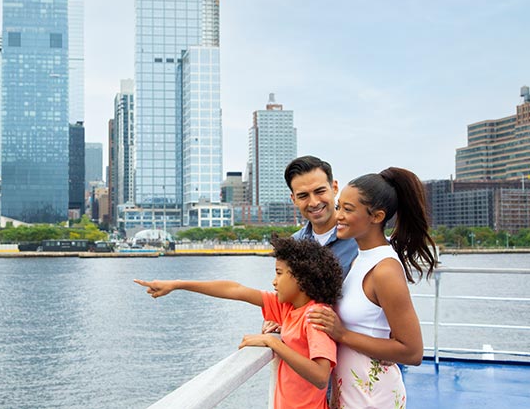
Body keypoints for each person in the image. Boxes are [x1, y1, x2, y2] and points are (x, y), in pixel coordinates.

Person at [134, 236, 343, 409]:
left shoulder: (316, 316)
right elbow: (235, 290)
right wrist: (178, 284)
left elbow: (321, 375)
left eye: (279, 273)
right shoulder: (289, 308)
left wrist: (274, 343)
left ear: (302, 278)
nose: (274, 281)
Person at [306, 167, 437, 409]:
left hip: (373, 398)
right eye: (339, 207)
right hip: (350, 394)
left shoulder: (384, 269)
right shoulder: (359, 259)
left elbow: (412, 351)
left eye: (348, 209)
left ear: (376, 217)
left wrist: (342, 334)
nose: (338, 216)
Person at [264, 156, 359, 335]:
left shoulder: (361, 240)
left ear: (335, 187)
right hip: (308, 353)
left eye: (320, 191)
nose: (314, 202)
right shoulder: (292, 244)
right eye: (303, 196)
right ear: (293, 199)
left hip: (354, 348)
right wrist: (274, 319)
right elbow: (285, 297)